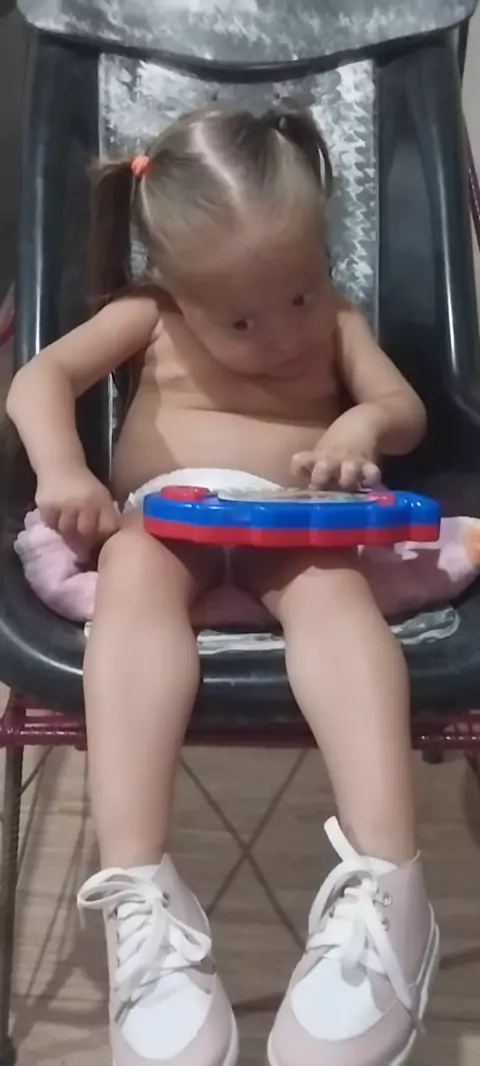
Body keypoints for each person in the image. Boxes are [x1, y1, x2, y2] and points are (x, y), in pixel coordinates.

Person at [6, 103, 439, 1066]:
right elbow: (39, 378)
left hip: (300, 519)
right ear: (174, 287)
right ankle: (138, 888)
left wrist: (361, 426)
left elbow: (401, 405)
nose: (284, 332)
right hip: (168, 518)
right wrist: (62, 470)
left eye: (301, 292)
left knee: (332, 593)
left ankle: (389, 878)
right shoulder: (148, 315)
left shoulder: (336, 317)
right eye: (242, 320)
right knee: (132, 574)